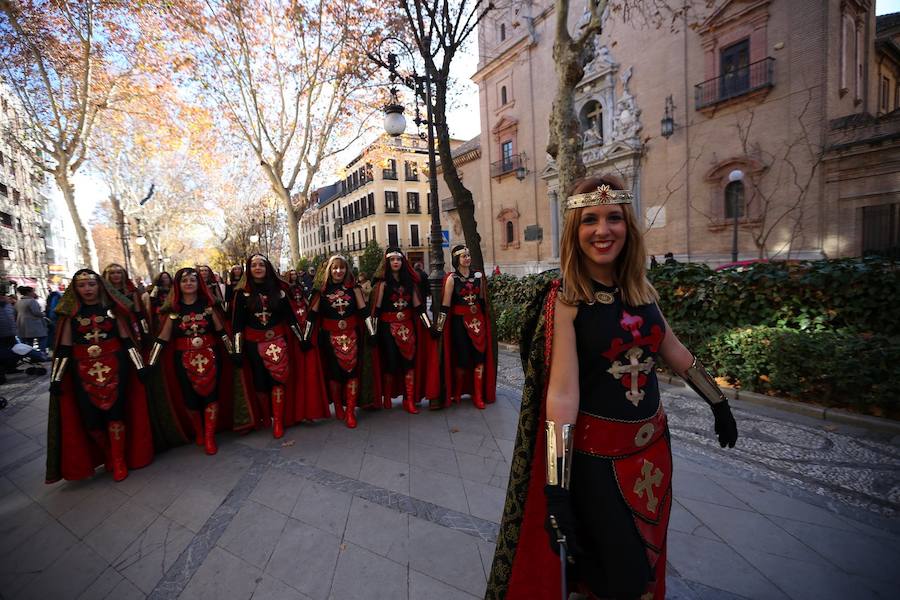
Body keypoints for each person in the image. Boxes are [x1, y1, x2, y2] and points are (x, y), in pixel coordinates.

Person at [485, 177, 738, 599]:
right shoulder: (566, 299)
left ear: (628, 226)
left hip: (654, 452)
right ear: (574, 230)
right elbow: (562, 396)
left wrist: (718, 402)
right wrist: (556, 489)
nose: (603, 230)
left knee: (649, 555)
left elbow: (673, 350)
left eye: (614, 218)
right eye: (590, 220)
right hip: (598, 463)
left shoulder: (641, 290)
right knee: (624, 574)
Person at [46, 269, 155, 483]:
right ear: (75, 289)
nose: (87, 289)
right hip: (82, 372)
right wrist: (56, 378)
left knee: (116, 414)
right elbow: (64, 349)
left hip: (116, 367)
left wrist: (140, 366)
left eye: (91, 285)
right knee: (91, 419)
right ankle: (106, 453)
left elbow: (126, 341)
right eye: (82, 285)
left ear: (100, 286)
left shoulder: (114, 311)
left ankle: (118, 459)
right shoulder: (70, 314)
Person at [231, 254, 328, 437]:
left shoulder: (279, 290)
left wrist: (302, 338)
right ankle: (266, 418)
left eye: (262, 265)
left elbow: (290, 318)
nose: (258, 268)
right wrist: (236, 350)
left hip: (278, 341)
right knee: (260, 382)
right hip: (253, 343)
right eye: (254, 265)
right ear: (248, 269)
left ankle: (278, 421)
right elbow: (237, 324)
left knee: (278, 380)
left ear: (268, 268)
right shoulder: (241, 293)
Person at [147, 268, 236, 455]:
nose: (188, 283)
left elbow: (221, 332)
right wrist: (150, 363)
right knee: (190, 398)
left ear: (199, 284)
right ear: (178, 285)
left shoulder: (208, 307)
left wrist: (233, 353)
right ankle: (199, 432)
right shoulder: (173, 310)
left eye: (192, 280)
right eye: (184, 280)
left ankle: (210, 437)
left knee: (211, 395)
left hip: (211, 355)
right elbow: (163, 338)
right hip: (183, 359)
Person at [368, 247, 436, 414]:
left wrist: (429, 326)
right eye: (392, 260)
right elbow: (375, 311)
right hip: (386, 328)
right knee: (390, 363)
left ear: (403, 262)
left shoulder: (410, 283)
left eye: (398, 259)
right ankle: (387, 396)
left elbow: (419, 308)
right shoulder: (382, 284)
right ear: (387, 263)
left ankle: (409, 400)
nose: (396, 262)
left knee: (409, 363)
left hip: (408, 327)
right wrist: (372, 332)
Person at [307, 255, 369, 428]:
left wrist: (372, 332)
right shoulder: (322, 290)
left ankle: (350, 411)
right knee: (334, 374)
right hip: (329, 338)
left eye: (342, 268)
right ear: (329, 270)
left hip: (353, 336)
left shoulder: (354, 289)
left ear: (346, 269)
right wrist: (305, 337)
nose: (338, 271)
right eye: (335, 268)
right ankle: (338, 407)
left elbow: (364, 312)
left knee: (352, 373)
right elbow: (311, 316)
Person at [432, 245, 496, 409]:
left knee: (479, 358)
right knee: (462, 359)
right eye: (463, 256)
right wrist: (438, 327)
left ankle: (478, 395)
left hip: (478, 323)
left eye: (468, 255)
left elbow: (482, 301)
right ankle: (458, 392)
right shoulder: (452, 279)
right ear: (457, 260)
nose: (467, 258)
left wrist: (487, 321)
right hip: (459, 324)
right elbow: (445, 306)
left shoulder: (478, 277)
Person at [103, 264, 150, 341]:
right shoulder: (104, 292)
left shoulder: (131, 290)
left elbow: (138, 311)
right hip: (112, 323)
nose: (116, 275)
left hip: (131, 322)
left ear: (123, 274)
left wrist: (144, 329)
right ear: (108, 275)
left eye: (119, 272)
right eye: (112, 273)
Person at [15, 286, 48, 354]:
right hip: (34, 324)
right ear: (28, 292)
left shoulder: (18, 302)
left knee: (29, 341)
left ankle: (30, 354)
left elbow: (15, 313)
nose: (34, 293)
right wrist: (43, 314)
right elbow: (36, 312)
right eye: (33, 291)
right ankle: (42, 354)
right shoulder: (32, 301)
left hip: (23, 325)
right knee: (42, 338)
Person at [143, 272, 173, 336]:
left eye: (166, 278)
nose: (165, 280)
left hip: (171, 313)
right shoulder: (155, 289)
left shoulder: (173, 289)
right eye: (163, 278)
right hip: (159, 314)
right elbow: (152, 300)